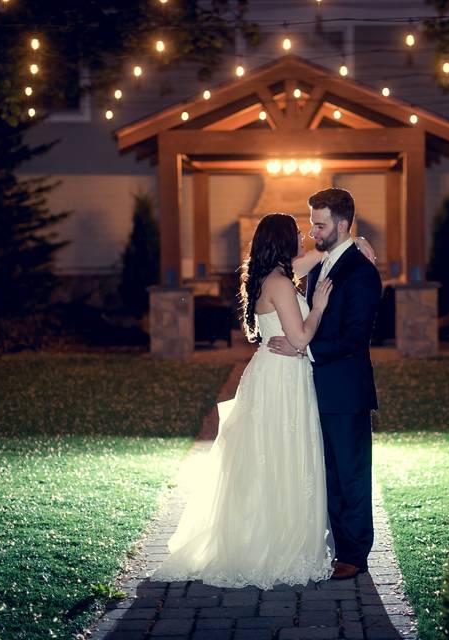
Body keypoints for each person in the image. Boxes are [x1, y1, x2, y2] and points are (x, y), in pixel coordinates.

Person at [152, 212, 336, 588]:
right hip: (282, 380)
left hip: (273, 373)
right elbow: (300, 339)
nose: (305, 237)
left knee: (266, 456)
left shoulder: (266, 277)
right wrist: (317, 307)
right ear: (284, 240)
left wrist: (352, 244)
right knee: (280, 454)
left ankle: (260, 535)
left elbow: (310, 260)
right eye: (298, 233)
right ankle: (275, 546)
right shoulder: (282, 284)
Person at [267, 188, 383, 580]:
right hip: (313, 388)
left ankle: (354, 553)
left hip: (346, 390)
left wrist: (304, 351)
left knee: (350, 473)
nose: (313, 231)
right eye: (312, 223)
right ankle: (334, 544)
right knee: (326, 472)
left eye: (320, 224)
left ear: (343, 224)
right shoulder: (321, 265)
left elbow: (354, 338)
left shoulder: (362, 272)